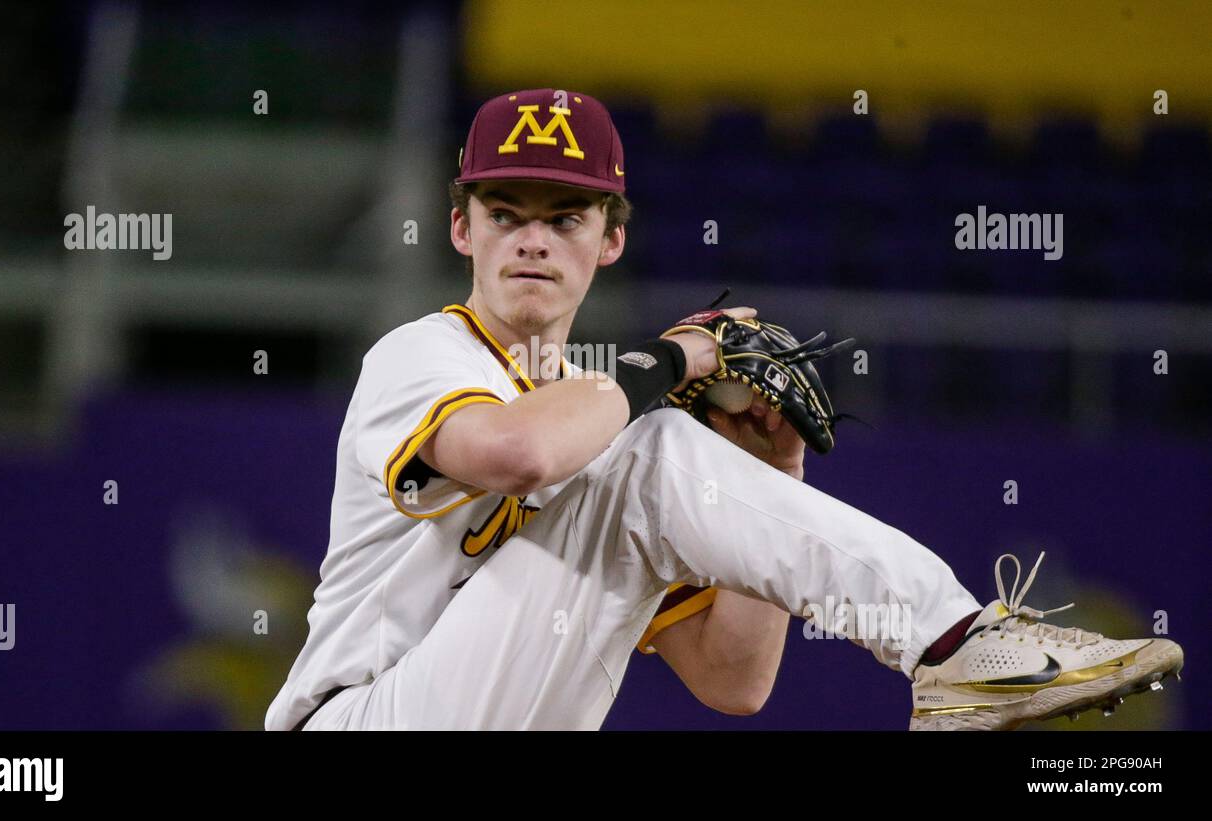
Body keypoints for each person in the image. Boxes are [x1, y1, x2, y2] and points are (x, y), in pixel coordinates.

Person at [265, 88, 1182, 731]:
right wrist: (682, 354)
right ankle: (955, 642)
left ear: (611, 239)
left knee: (637, 445)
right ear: (462, 228)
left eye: (566, 217)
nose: (534, 240)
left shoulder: (598, 431)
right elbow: (517, 452)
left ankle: (956, 652)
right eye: (507, 213)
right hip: (363, 716)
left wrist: (765, 473)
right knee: (643, 440)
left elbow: (732, 681)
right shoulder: (422, 354)